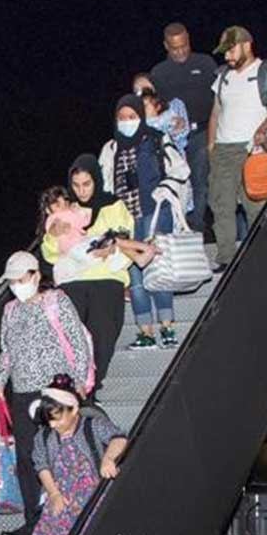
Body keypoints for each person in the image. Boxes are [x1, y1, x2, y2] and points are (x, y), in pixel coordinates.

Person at [0, 251, 94, 535]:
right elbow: (7, 351)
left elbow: (77, 340)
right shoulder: (10, 310)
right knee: (26, 456)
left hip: (55, 388)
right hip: (22, 391)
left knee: (60, 452)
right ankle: (33, 521)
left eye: (20, 279)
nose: (16, 286)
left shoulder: (56, 300)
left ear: (36, 276)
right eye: (11, 281)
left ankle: (69, 518)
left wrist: (79, 379)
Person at [17, 374, 128, 535]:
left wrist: (108, 459)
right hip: (62, 501)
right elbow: (41, 465)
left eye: (58, 417)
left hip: (92, 501)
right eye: (50, 419)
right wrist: (54, 494)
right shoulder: (44, 436)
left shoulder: (91, 425)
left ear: (74, 409)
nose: (54, 424)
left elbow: (119, 438)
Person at [42, 156, 147, 387]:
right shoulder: (65, 209)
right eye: (76, 185)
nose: (81, 191)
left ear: (96, 180)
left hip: (107, 279)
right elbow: (50, 254)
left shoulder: (114, 205)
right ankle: (73, 390)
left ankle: (91, 388)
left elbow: (125, 235)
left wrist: (113, 246)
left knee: (103, 338)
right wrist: (53, 236)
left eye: (86, 184)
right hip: (73, 281)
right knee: (71, 339)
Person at [99, 94, 177, 350]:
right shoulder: (111, 149)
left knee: (159, 270)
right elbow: (105, 184)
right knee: (135, 277)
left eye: (131, 116)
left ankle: (167, 328)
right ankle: (146, 332)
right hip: (125, 219)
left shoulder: (156, 139)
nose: (126, 121)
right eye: (121, 118)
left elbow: (179, 169)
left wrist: (166, 189)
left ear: (140, 117)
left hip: (155, 212)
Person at [208, 25, 267, 271]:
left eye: (231, 50)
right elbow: (215, 112)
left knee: (257, 205)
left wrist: (263, 129)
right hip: (223, 149)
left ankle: (261, 257)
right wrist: (211, 145)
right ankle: (226, 257)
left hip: (255, 147)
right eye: (224, 52)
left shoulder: (266, 70)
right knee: (221, 204)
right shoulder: (223, 76)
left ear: (247, 45)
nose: (227, 56)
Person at [150, 22, 220, 232]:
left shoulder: (205, 63)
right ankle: (177, 225)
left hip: (201, 131)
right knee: (177, 178)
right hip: (172, 136)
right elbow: (154, 106)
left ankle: (195, 225)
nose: (180, 52)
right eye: (175, 48)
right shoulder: (159, 72)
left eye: (184, 46)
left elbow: (219, 97)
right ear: (166, 46)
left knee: (199, 177)